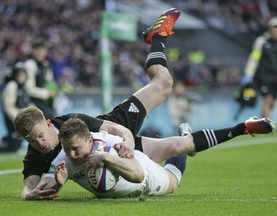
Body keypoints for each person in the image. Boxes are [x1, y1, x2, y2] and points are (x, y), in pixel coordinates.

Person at [14, 8, 182, 200]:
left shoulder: (70, 121)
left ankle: (158, 37)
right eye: (32, 141)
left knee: (164, 83)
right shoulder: (35, 155)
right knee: (176, 149)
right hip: (114, 152)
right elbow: (29, 188)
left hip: (117, 128)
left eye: (40, 136)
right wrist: (29, 196)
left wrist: (126, 139)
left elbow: (109, 128)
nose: (40, 143)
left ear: (48, 123)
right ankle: (185, 137)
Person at [41, 116, 274, 199]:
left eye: (77, 149)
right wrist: (57, 186)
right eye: (67, 149)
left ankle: (242, 127)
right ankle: (185, 140)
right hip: (125, 175)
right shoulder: (64, 156)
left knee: (173, 181)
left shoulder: (107, 144)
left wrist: (107, 159)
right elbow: (42, 190)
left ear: (90, 141)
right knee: (177, 145)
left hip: (142, 174)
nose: (72, 155)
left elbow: (138, 174)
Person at [0, 62, 35, 153]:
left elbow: (28, 103)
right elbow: (8, 106)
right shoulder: (12, 85)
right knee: (12, 147)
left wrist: (36, 114)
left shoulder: (23, 87)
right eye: (19, 74)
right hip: (14, 121)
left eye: (23, 74)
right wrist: (20, 119)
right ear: (15, 75)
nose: (22, 76)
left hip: (23, 120)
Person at [243, 17, 277, 119]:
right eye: (273, 27)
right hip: (263, 76)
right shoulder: (261, 42)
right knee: (267, 99)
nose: (275, 30)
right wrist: (248, 73)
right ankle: (267, 124)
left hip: (275, 77)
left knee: (272, 102)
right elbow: (254, 58)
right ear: (269, 29)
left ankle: (262, 122)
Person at [23, 38, 57, 119]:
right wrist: (47, 93)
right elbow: (29, 89)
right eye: (37, 49)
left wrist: (55, 91)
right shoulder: (29, 64)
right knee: (48, 115)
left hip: (44, 100)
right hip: (31, 100)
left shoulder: (46, 65)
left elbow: (50, 83)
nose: (39, 52)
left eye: (42, 49)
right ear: (33, 51)